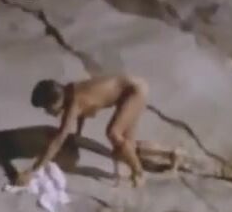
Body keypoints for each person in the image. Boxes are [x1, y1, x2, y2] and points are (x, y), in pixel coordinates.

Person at [15, 74, 149, 187]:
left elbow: (58, 140)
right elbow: (83, 111)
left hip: (134, 91)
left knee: (113, 133)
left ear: (55, 102)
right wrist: (78, 134)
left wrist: (33, 172)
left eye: (47, 108)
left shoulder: (73, 104)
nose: (47, 112)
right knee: (126, 147)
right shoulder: (68, 90)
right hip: (130, 89)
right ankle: (155, 158)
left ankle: (139, 173)